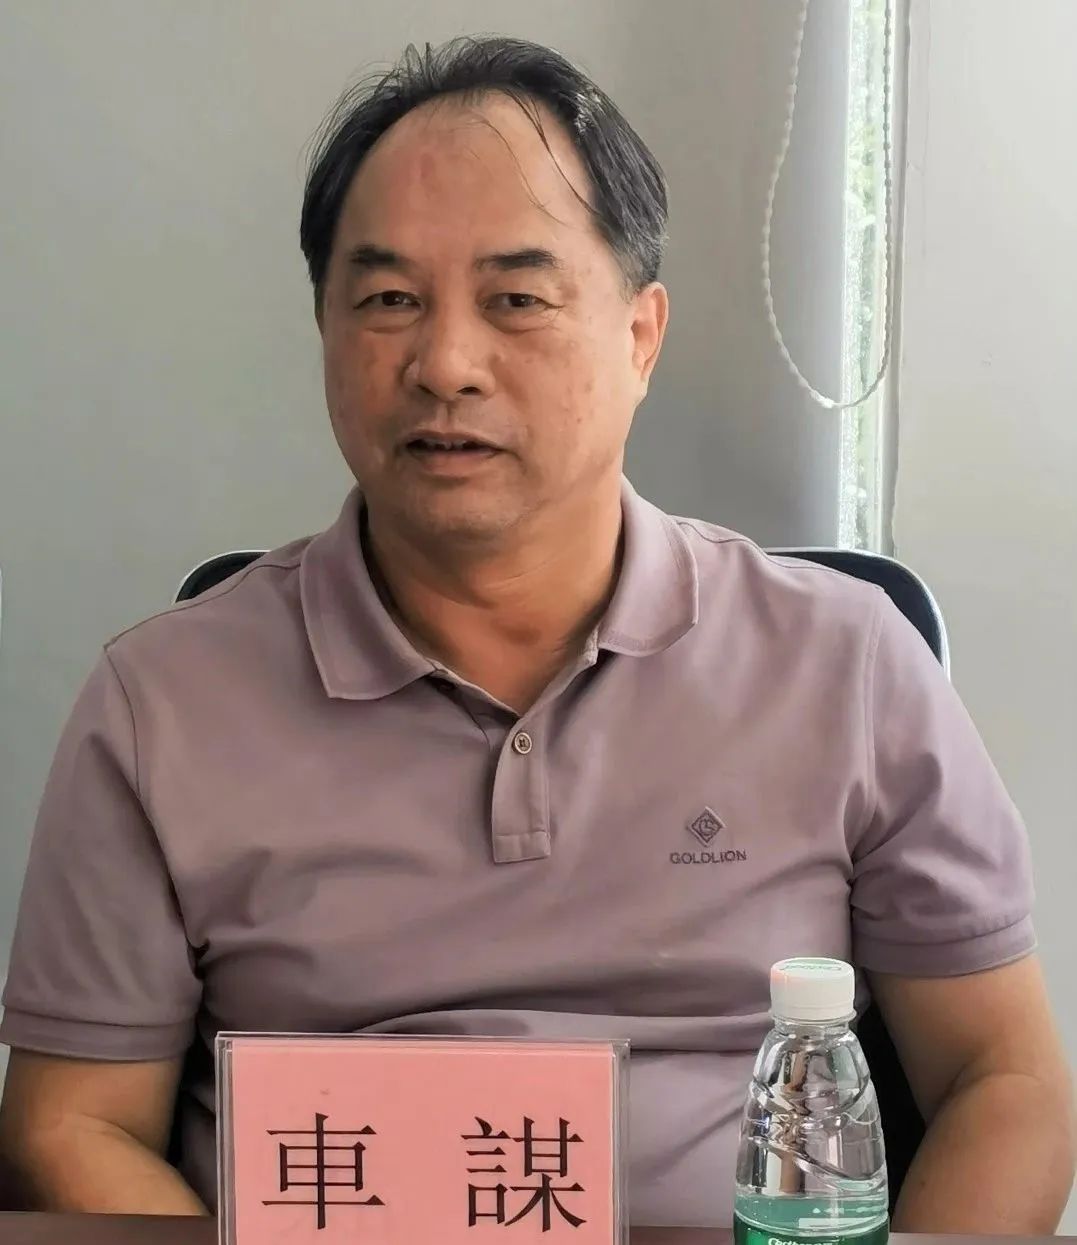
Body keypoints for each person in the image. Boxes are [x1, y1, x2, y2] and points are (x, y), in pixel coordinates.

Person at [0, 35, 1073, 1231]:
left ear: (640, 335)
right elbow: (69, 1130)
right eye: (390, 301)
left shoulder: (845, 664)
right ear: (325, 331)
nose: (445, 364)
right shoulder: (161, 704)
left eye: (516, 299)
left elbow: (1003, 1081)